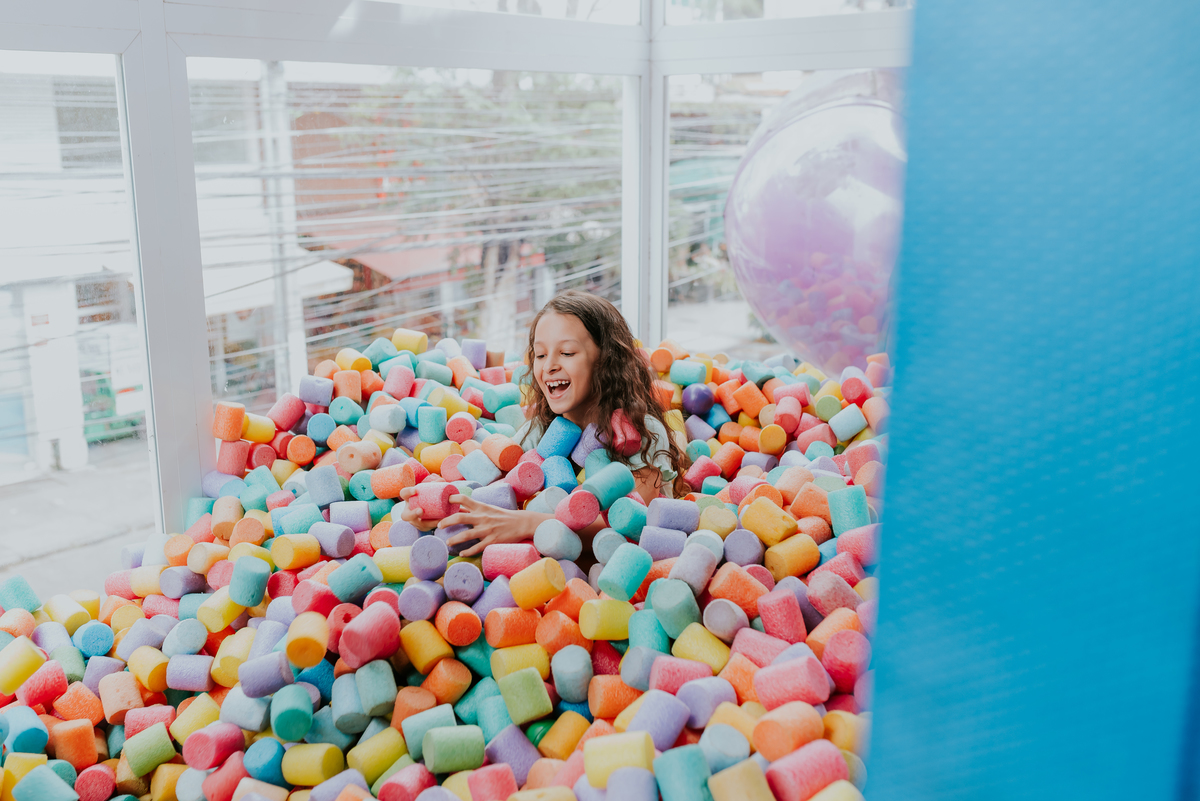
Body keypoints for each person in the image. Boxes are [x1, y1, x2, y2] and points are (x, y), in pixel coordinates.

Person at [397, 290, 688, 560]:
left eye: (567, 353)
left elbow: (628, 523)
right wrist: (445, 508)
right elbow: (497, 493)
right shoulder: (538, 431)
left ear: (605, 361)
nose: (549, 366)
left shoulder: (643, 431)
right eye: (540, 354)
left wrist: (527, 523)